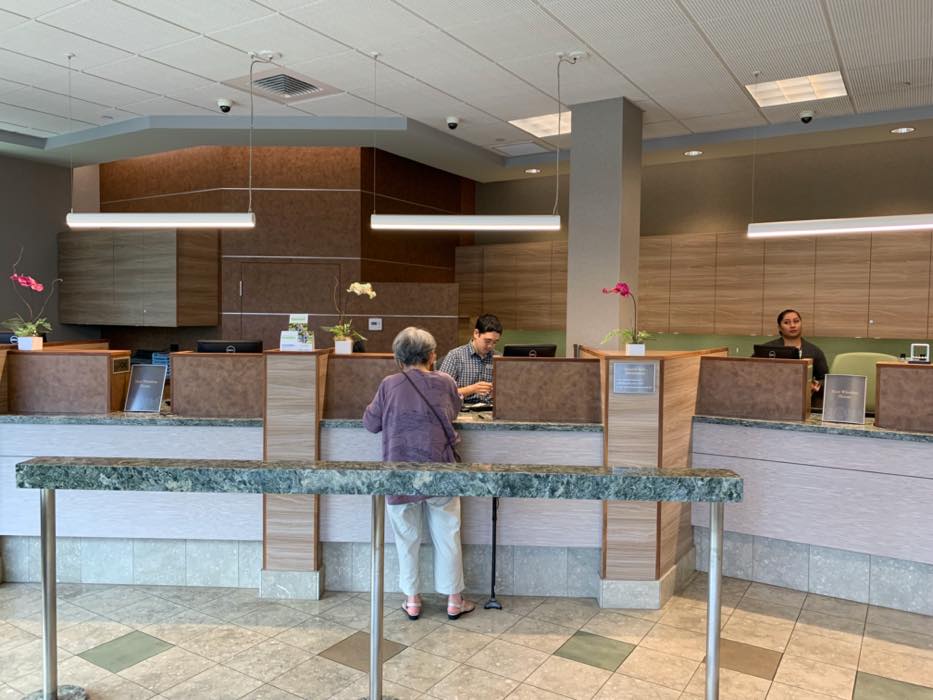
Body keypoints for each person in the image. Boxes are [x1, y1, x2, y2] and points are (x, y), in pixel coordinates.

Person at [363, 327, 475, 621]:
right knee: (447, 534)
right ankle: (454, 600)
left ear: (398, 357)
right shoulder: (446, 381)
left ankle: (412, 600)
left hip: (399, 471)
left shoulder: (389, 385)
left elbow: (370, 423)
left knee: (406, 536)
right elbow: (453, 412)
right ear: (432, 355)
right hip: (440, 468)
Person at [438, 313, 502, 403]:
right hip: (464, 407)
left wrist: (499, 391)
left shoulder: (498, 358)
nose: (490, 346)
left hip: (491, 407)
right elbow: (441, 391)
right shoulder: (455, 356)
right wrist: (472, 389)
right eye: (487, 341)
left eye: (495, 342)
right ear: (476, 333)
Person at [762, 309, 828, 392]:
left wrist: (815, 385)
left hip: (804, 395)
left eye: (796, 321)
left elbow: (825, 380)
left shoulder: (814, 351)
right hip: (772, 393)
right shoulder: (768, 349)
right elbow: (751, 370)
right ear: (779, 327)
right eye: (786, 322)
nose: (792, 325)